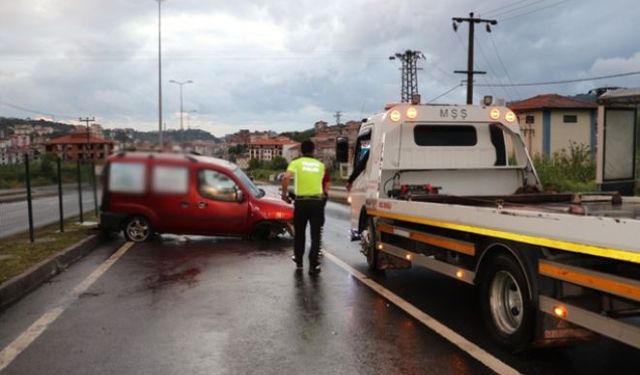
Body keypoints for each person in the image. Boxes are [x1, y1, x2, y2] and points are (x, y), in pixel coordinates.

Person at [281, 140, 329, 275]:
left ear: (301, 151)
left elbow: (285, 178)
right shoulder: (320, 165)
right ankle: (313, 265)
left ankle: (299, 261)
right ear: (313, 150)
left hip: (301, 203)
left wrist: (284, 195)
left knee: (300, 234)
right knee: (315, 235)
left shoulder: (296, 163)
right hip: (317, 203)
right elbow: (323, 184)